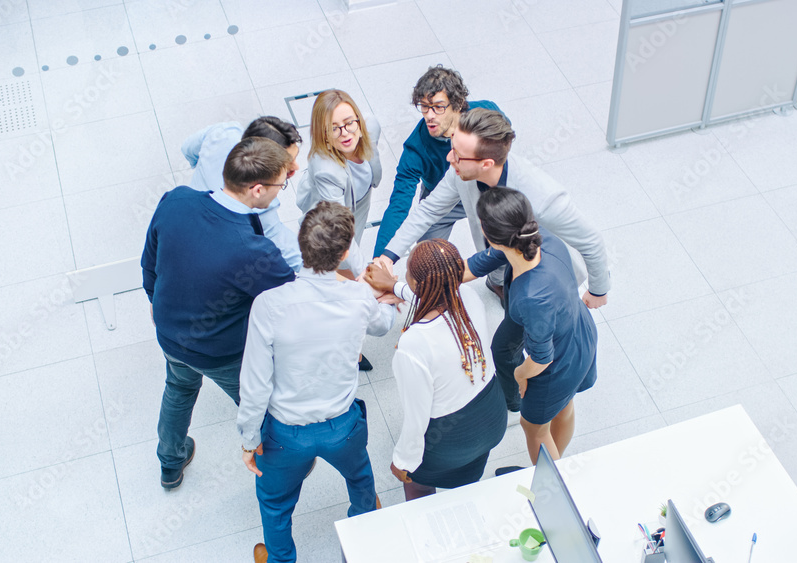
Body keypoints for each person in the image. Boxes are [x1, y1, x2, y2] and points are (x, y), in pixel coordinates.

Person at [376, 108, 610, 413]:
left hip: (542, 276)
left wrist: (599, 290)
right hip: (502, 264)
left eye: (457, 156)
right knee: (503, 345)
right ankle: (514, 401)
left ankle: (540, 398)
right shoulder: (463, 171)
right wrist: (387, 255)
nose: (449, 160)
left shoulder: (544, 198)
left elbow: (591, 240)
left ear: (486, 163)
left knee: (539, 344)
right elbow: (429, 210)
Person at [237, 201, 395, 563]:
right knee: (360, 480)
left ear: (300, 243)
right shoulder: (358, 297)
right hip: (343, 425)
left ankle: (280, 558)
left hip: (286, 433)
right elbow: (383, 325)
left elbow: (256, 383)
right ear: (343, 252)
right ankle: (363, 536)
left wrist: (249, 438)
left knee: (275, 503)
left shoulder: (269, 304)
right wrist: (385, 297)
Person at [141, 137, 296, 490]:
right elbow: (293, 301)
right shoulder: (254, 252)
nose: (280, 192)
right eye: (280, 185)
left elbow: (149, 259)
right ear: (257, 190)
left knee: (178, 389)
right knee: (261, 406)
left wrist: (156, 300)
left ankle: (170, 461)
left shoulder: (176, 199)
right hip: (223, 354)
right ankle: (277, 463)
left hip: (169, 335)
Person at [364, 239, 507, 501]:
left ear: (418, 285)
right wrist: (397, 287)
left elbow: (416, 418)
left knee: (418, 487)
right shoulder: (470, 296)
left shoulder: (414, 344)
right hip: (493, 417)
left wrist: (403, 461)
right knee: (466, 478)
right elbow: (437, 289)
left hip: (450, 438)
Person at [464, 188, 597, 464]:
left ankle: (548, 487)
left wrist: (521, 375)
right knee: (564, 405)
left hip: (558, 365)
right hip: (578, 333)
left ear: (487, 234)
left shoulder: (531, 298)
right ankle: (555, 464)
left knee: (534, 428)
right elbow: (481, 262)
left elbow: (541, 358)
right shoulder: (541, 240)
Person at [373, 65, 502, 259]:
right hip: (440, 198)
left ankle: (497, 281)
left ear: (458, 104)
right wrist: (379, 259)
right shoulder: (416, 148)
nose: (429, 115)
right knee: (426, 258)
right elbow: (398, 205)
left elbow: (505, 138)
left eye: (438, 107)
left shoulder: (486, 112)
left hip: (482, 187)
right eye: (424, 107)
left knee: (498, 241)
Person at [181, 116, 304, 271]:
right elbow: (289, 252)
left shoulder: (225, 131)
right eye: (287, 164)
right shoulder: (260, 205)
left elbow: (187, 149)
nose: (296, 167)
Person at [295, 89, 381, 274]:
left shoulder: (369, 125)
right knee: (341, 259)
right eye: (333, 128)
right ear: (323, 134)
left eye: (349, 123)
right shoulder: (327, 172)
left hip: (359, 201)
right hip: (333, 212)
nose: (345, 132)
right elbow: (340, 229)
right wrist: (364, 274)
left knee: (355, 238)